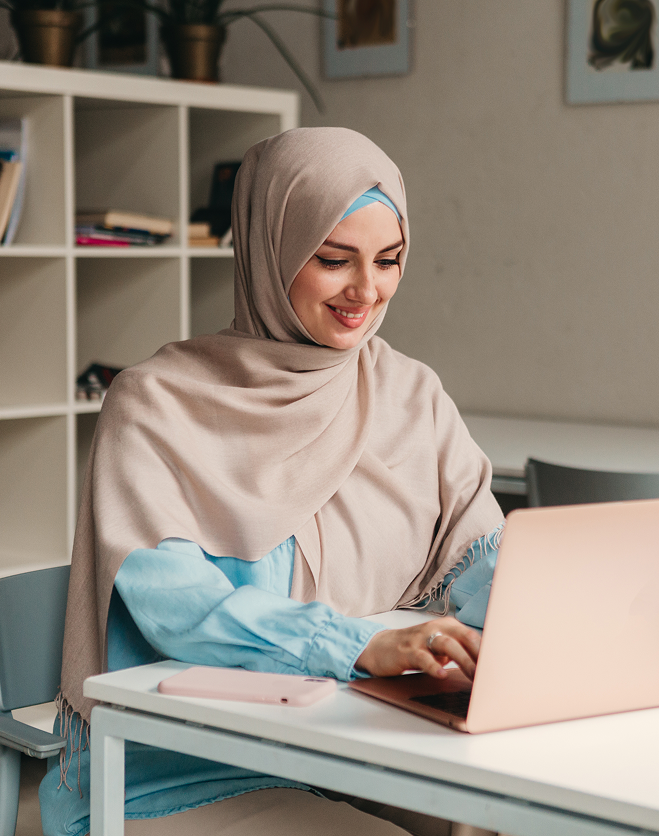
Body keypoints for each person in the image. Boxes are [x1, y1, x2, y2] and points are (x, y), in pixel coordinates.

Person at [40, 127, 505, 836]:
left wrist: (544, 615)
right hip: (188, 765)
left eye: (389, 260)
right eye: (334, 260)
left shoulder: (410, 394)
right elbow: (177, 607)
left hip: (361, 746)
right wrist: (355, 647)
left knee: (520, 818)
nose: (366, 290)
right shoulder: (156, 404)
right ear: (271, 250)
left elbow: (482, 554)